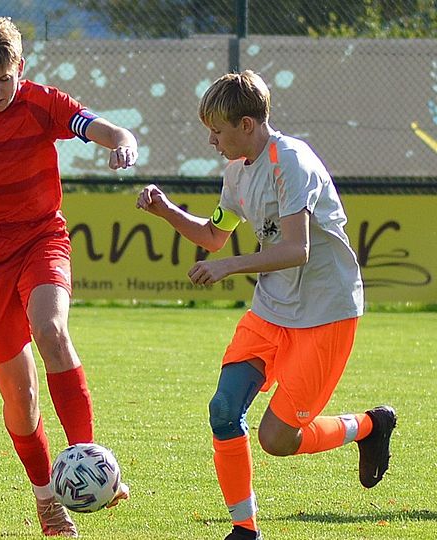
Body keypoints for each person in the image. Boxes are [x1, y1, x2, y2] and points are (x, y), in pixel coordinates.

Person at [136, 70, 396, 540]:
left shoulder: (290, 161)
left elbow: (298, 249)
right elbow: (216, 236)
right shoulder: (238, 169)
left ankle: (368, 427)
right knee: (223, 409)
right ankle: (244, 529)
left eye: (218, 130)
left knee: (276, 440)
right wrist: (166, 210)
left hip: (326, 312)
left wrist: (228, 269)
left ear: (248, 125)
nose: (212, 140)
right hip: (272, 310)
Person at [0, 16, 134, 537]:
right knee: (20, 395)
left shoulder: (42, 102)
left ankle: (91, 463)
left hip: (40, 240)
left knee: (53, 331)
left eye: (3, 79)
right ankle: (47, 501)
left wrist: (120, 142)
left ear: (21, 68)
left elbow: (101, 127)